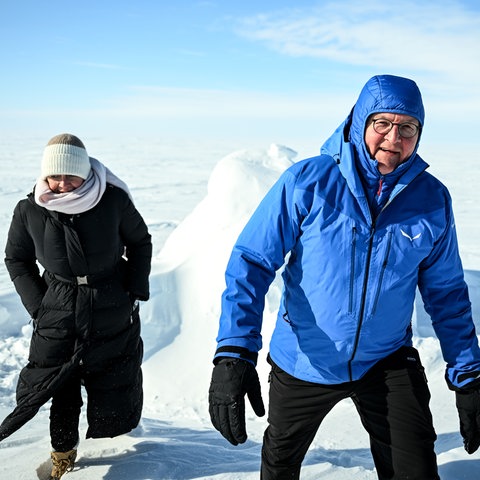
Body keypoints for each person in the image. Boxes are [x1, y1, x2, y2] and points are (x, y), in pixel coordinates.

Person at [208, 75, 480, 479]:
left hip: (385, 359)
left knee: (415, 467)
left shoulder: (431, 199)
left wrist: (469, 374)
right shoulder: (308, 182)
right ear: (360, 124)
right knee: (280, 463)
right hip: (304, 359)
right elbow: (252, 262)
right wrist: (234, 352)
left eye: (407, 127)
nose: (394, 136)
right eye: (382, 123)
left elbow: (446, 293)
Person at [0, 134, 152, 479]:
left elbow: (140, 242)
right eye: (56, 176)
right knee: (60, 385)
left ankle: (114, 433)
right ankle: (63, 454)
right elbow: (17, 259)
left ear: (86, 173)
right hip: (59, 310)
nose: (63, 184)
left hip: (110, 306)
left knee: (112, 377)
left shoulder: (112, 201)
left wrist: (132, 291)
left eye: (71, 176)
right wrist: (40, 305)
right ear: (44, 175)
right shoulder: (30, 209)